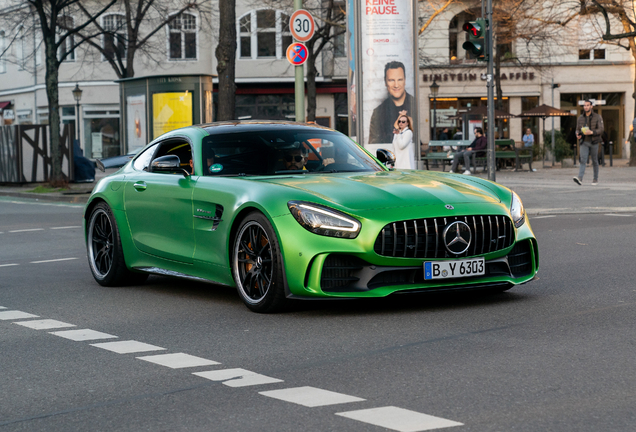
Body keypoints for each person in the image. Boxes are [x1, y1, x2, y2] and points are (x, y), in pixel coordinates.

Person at [368, 61, 414, 144]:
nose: (396, 85)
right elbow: (373, 145)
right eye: (391, 80)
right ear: (385, 82)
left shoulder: (415, 105)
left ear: (405, 81)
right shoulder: (378, 112)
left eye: (399, 79)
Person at [574, 100, 604, 185]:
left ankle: (595, 179)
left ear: (591, 106)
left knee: (595, 160)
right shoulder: (580, 118)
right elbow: (577, 129)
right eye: (585, 105)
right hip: (584, 142)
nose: (586, 107)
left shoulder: (598, 117)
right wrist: (577, 134)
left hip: (594, 141)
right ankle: (580, 178)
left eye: (588, 105)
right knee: (583, 160)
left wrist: (592, 132)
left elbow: (601, 129)